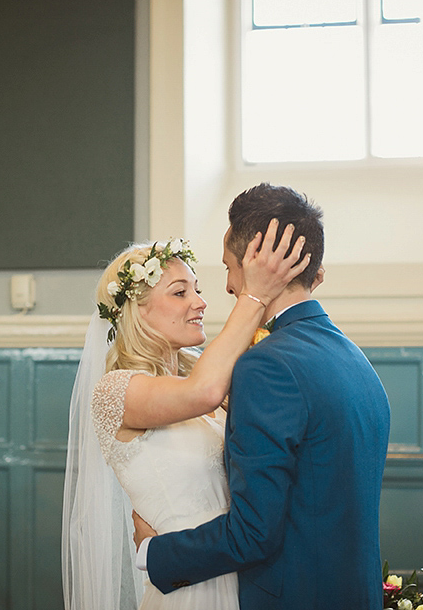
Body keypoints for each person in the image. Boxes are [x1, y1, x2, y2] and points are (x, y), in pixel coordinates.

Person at [134, 183, 392, 609]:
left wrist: (153, 553)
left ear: (256, 262)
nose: (229, 286)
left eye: (227, 268)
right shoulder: (352, 356)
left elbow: (254, 532)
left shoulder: (267, 366)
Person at [61, 223, 310, 610]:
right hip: (192, 588)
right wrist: (255, 294)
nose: (200, 302)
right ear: (136, 312)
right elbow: (202, 393)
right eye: (180, 292)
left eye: (197, 289)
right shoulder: (117, 391)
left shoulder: (201, 382)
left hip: (243, 572)